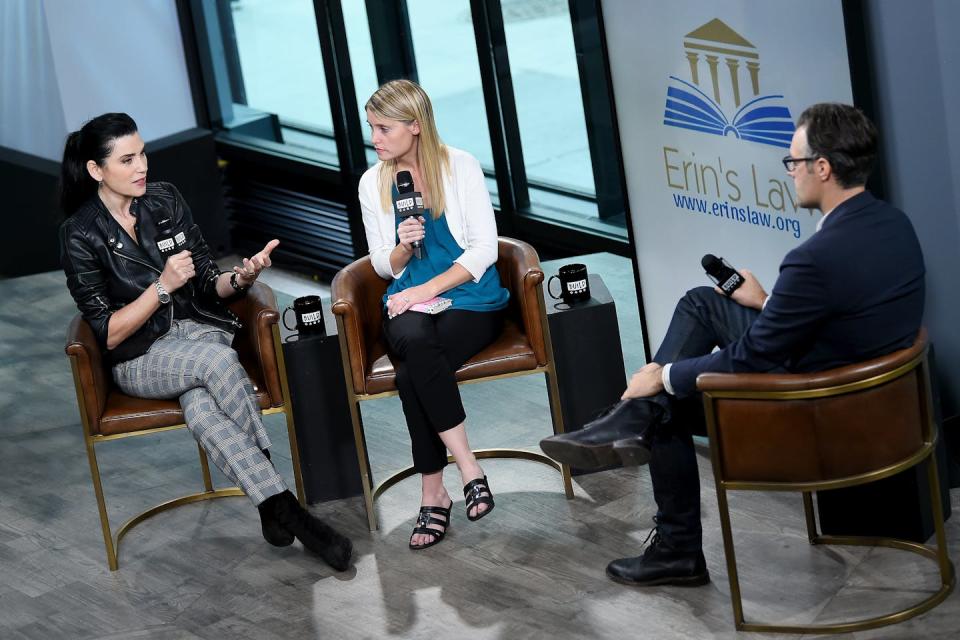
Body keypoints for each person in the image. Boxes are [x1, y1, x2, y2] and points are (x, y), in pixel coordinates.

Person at [541, 103, 925, 586]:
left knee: (666, 403)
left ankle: (674, 543)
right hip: (877, 399)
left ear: (822, 168)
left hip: (821, 410)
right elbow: (843, 321)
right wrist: (765, 302)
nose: (790, 174)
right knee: (703, 302)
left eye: (794, 163)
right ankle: (626, 419)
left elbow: (755, 356)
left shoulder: (815, 258)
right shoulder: (894, 225)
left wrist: (665, 376)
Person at [58, 112, 352, 571]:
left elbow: (210, 284)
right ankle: (285, 504)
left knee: (202, 408)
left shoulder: (165, 200)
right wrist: (160, 288)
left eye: (143, 154)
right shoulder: (80, 233)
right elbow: (108, 331)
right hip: (141, 355)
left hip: (199, 332)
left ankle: (270, 506)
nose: (142, 167)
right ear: (97, 170)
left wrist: (242, 276)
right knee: (217, 362)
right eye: (128, 159)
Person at [359, 80, 509, 550]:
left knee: (412, 377)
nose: (375, 139)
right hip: (407, 298)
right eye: (372, 129)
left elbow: (485, 248)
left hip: (467, 294)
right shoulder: (373, 181)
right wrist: (402, 246)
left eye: (384, 129)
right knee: (417, 344)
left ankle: (433, 493)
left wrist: (428, 287)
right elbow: (382, 264)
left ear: (416, 127)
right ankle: (469, 467)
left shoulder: (460, 166)